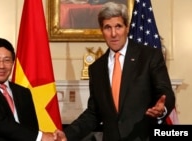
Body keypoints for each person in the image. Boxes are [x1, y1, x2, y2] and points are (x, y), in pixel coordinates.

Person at [62, 2, 176, 141]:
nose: (114, 34)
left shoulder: (149, 56)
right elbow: (93, 113)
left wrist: (162, 109)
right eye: (108, 28)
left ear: (127, 27)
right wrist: (66, 135)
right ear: (101, 30)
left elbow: (165, 92)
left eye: (118, 26)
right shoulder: (96, 68)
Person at [0, 38, 60, 141]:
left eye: (7, 60)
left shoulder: (23, 92)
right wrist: (41, 137)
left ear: (13, 63)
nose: (2, 66)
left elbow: (31, 127)